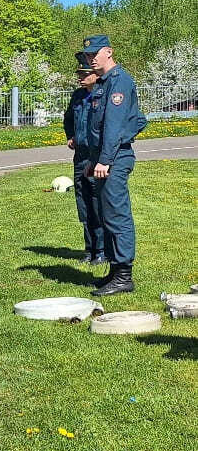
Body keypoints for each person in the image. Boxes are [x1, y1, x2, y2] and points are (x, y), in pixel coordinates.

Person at [79, 35, 146, 296]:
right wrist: (95, 161)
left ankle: (124, 276)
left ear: (109, 51)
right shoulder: (103, 84)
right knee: (106, 215)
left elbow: (115, 127)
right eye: (88, 55)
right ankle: (114, 272)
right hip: (104, 158)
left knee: (117, 215)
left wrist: (105, 160)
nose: (91, 58)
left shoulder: (119, 81)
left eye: (96, 53)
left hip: (115, 159)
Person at [62, 56, 105, 266]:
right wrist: (70, 135)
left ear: (95, 75)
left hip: (96, 158)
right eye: (79, 74)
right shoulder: (78, 96)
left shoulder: (102, 94)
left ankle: (102, 250)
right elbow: (68, 118)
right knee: (83, 204)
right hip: (80, 157)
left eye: (84, 74)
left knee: (98, 203)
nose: (80, 77)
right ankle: (89, 249)